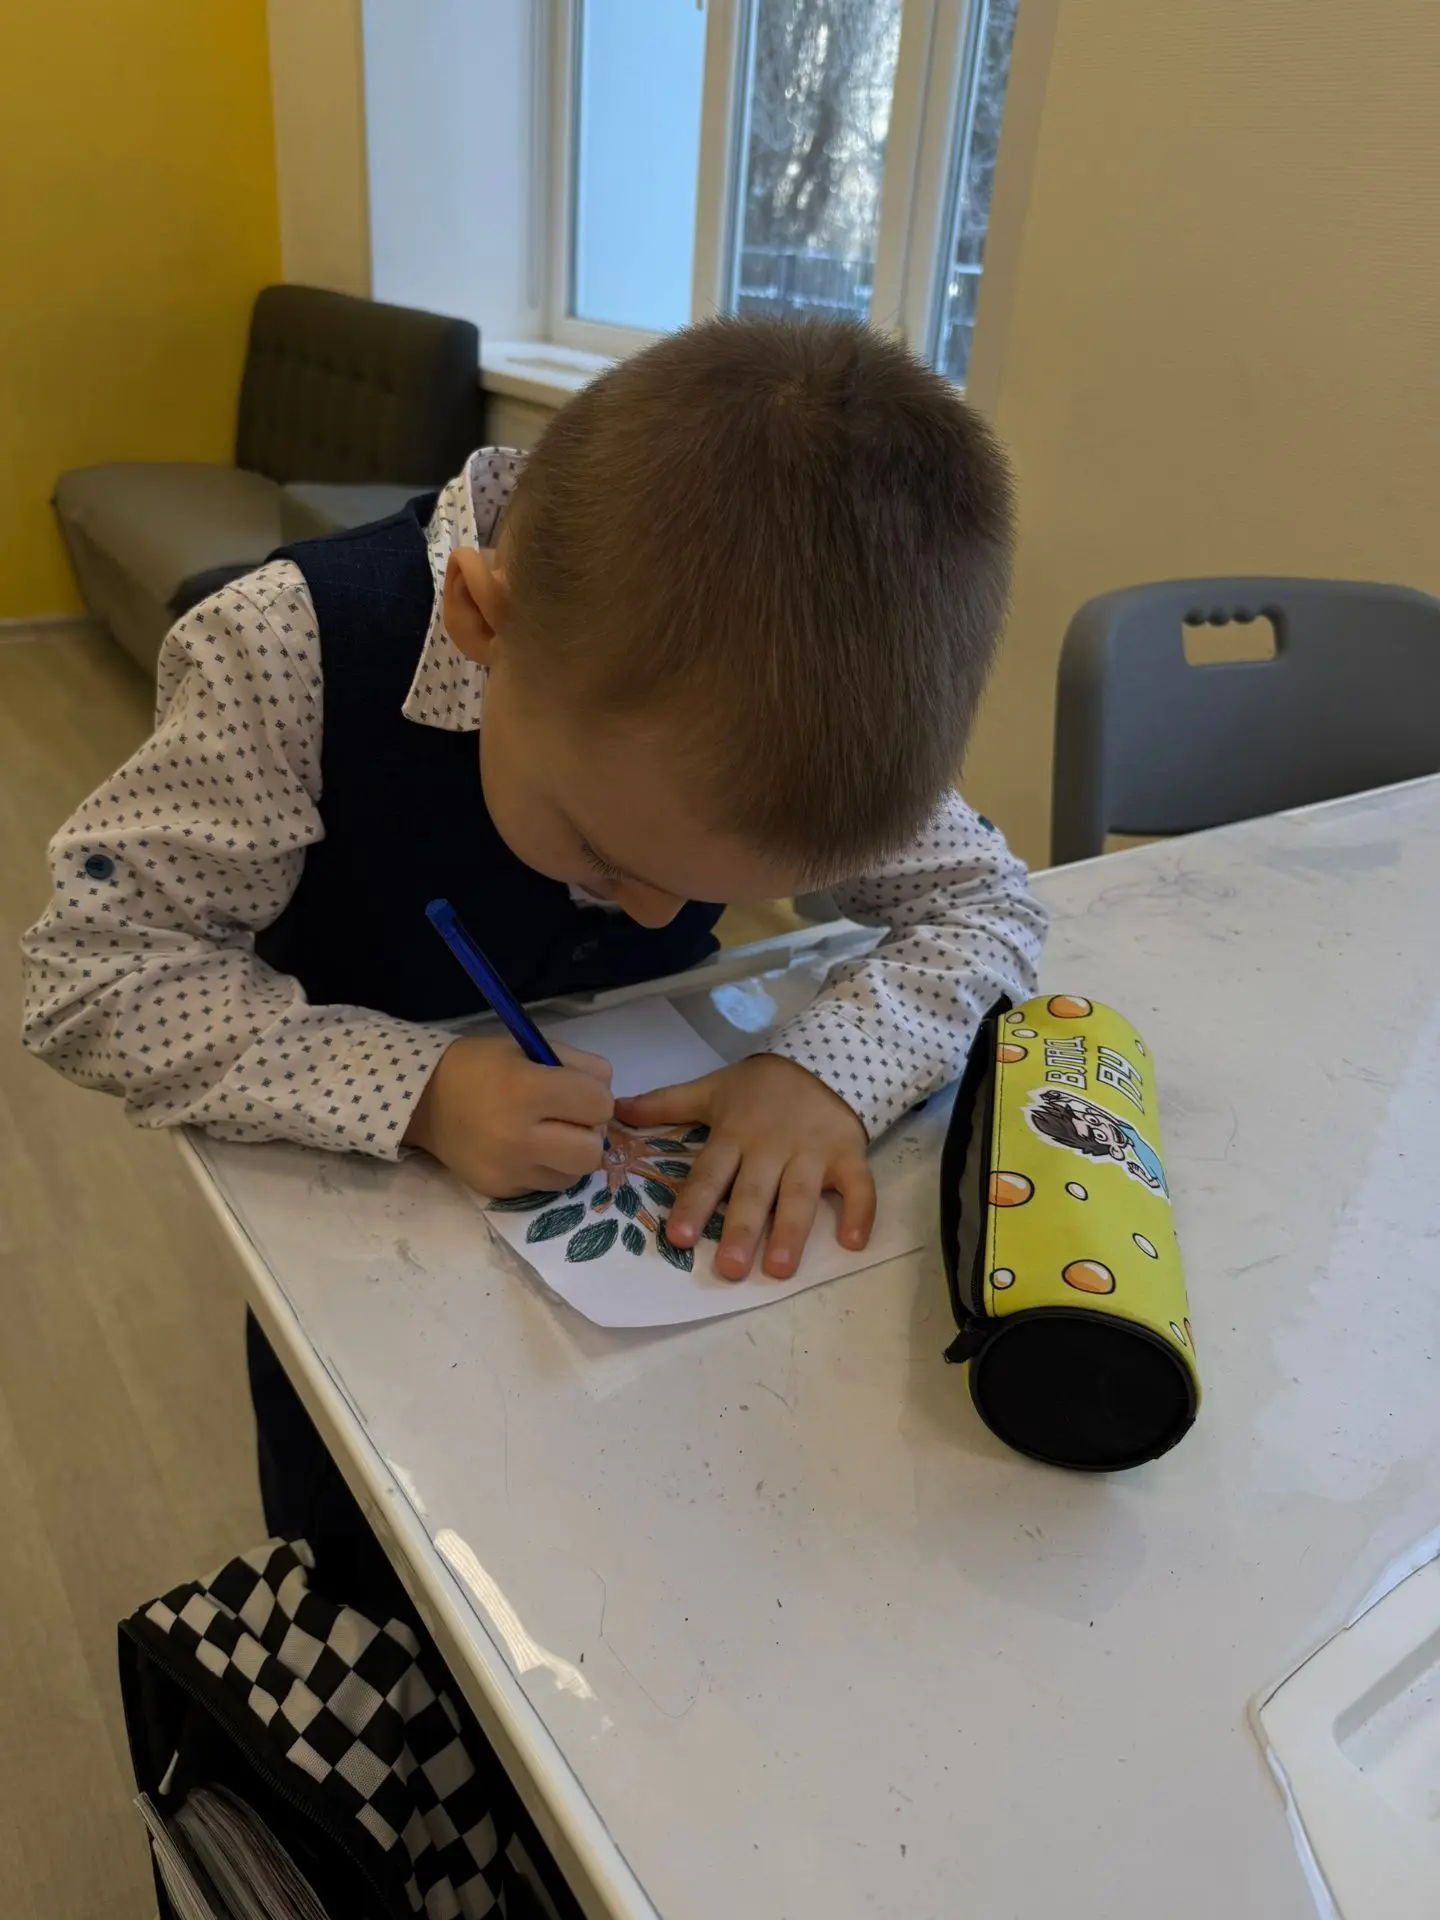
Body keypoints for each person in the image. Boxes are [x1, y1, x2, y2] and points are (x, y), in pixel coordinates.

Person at [22, 317, 1046, 1545]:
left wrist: (826, 1073)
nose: (660, 916)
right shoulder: (283, 651)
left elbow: (986, 901)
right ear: (480, 618)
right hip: (358, 1253)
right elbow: (93, 976)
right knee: (368, 1544)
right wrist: (417, 1089)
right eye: (610, 857)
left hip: (632, 1352)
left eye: (720, 887)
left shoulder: (815, 703)